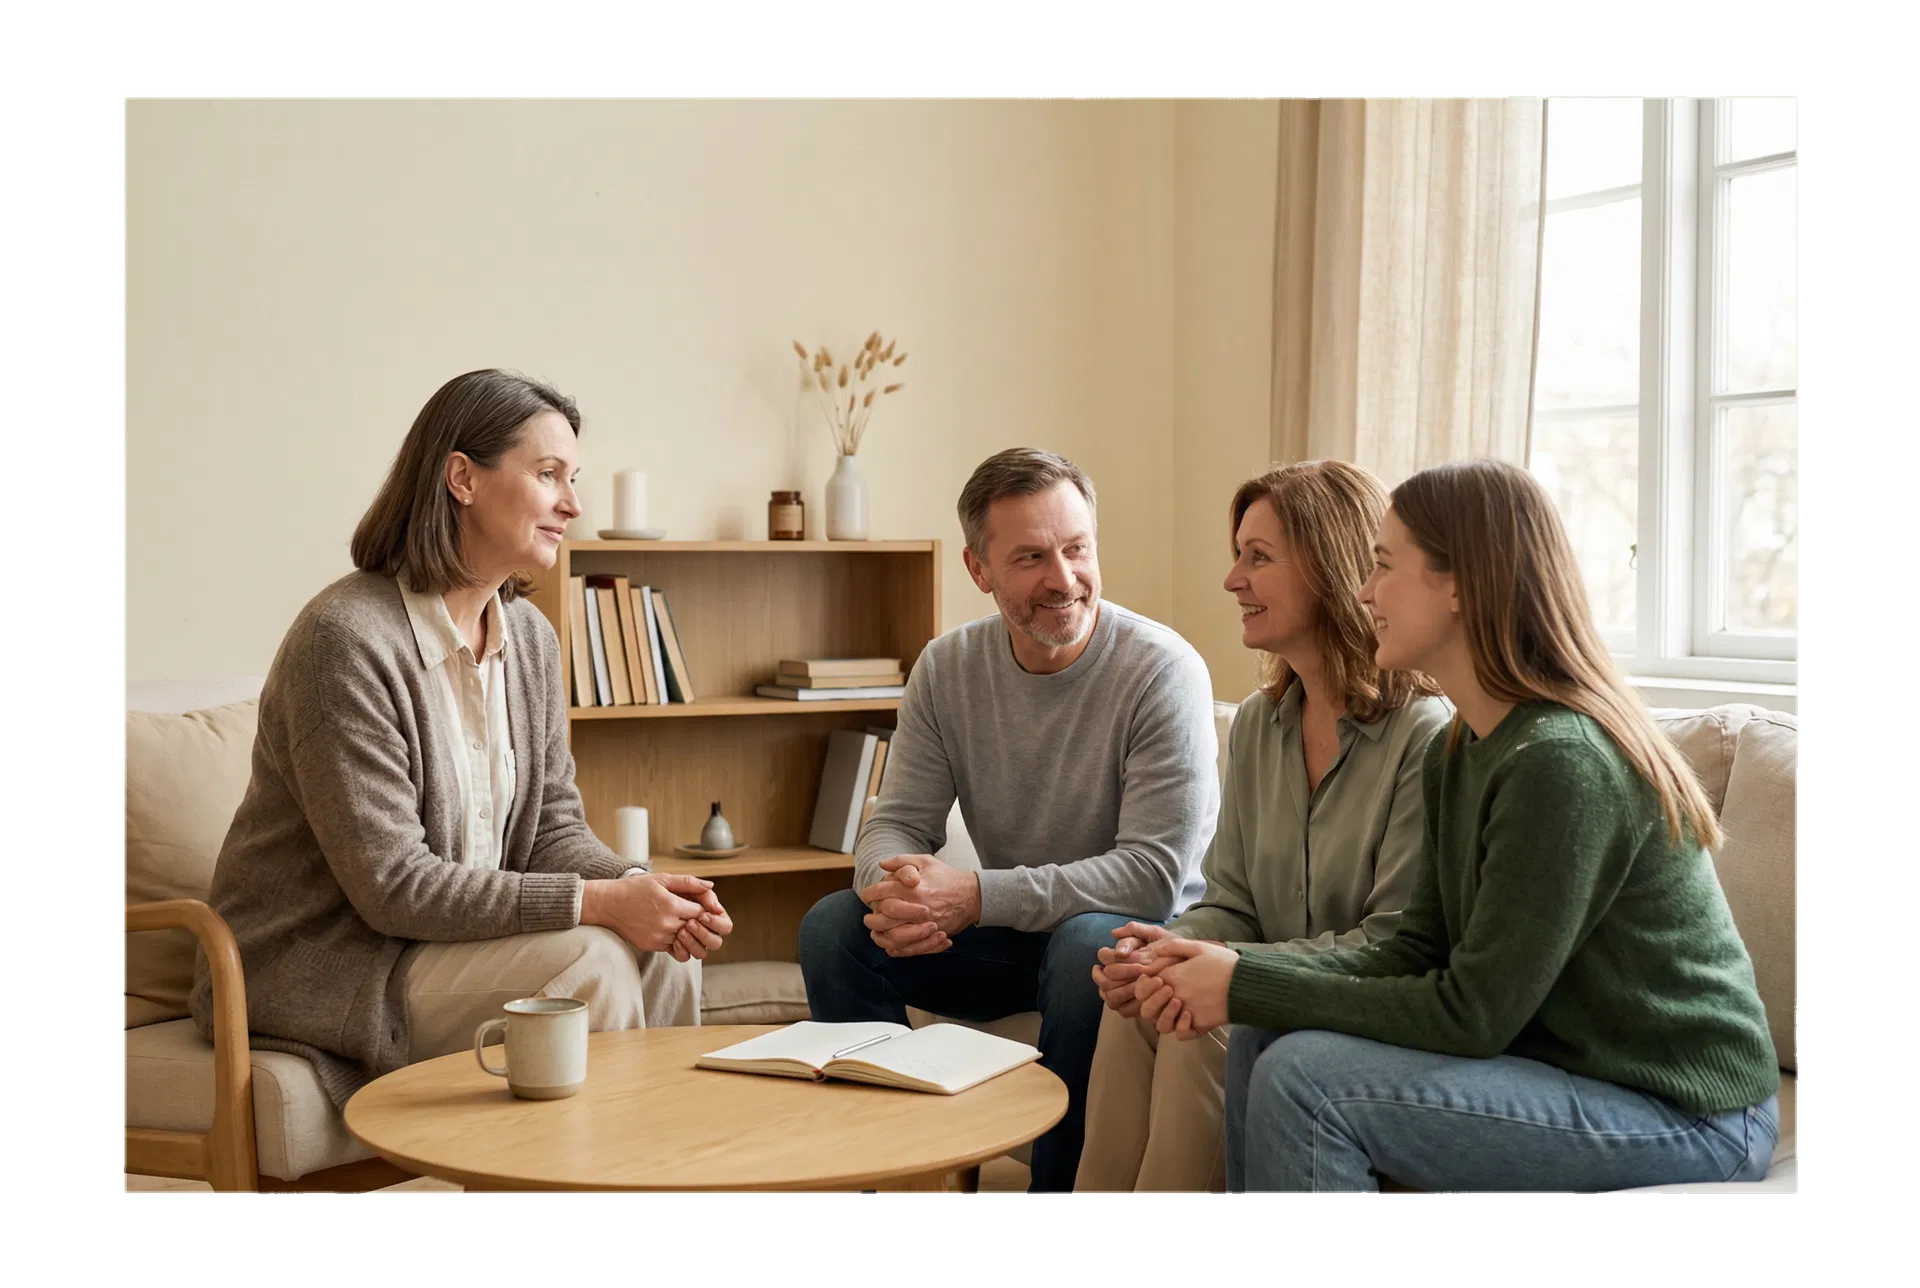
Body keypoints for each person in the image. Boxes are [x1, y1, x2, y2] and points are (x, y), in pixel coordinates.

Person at [1134, 459, 1780, 1198]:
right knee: (1262, 1037)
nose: (1366, 591)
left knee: (1306, 1078)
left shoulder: (1561, 762)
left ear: (1461, 586)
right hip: (1568, 1071)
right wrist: (1243, 983)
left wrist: (1246, 980)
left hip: (1687, 1113)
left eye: (1383, 566)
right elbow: (1417, 951)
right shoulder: (1461, 749)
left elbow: (1472, 1014)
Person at [189, 369, 730, 1109]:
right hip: (334, 962)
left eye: (574, 479)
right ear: (462, 478)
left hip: (452, 947)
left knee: (667, 952)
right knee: (596, 962)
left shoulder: (532, 642)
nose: (573, 504)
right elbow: (393, 887)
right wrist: (601, 904)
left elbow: (552, 832)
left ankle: (663, 1176)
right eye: (548, 476)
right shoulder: (345, 641)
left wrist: (642, 890)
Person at [798, 447, 1220, 1198]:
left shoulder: (1161, 670)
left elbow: (1152, 878)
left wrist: (974, 897)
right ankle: (888, 1174)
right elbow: (895, 823)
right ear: (978, 569)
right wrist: (894, 891)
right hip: (1012, 940)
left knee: (1088, 942)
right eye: (1031, 557)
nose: (1063, 579)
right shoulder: (947, 666)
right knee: (835, 927)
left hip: (1131, 942)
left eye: (1077, 548)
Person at [1073, 460, 1449, 1197]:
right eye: (1236, 554)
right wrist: (1168, 947)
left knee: (1197, 1024)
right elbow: (1233, 902)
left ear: (1330, 565)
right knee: (1136, 1005)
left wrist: (1233, 977)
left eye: (1258, 557)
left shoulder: (1425, 737)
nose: (1232, 579)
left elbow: (1395, 945)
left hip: (1356, 1009)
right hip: (1260, 984)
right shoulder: (1256, 728)